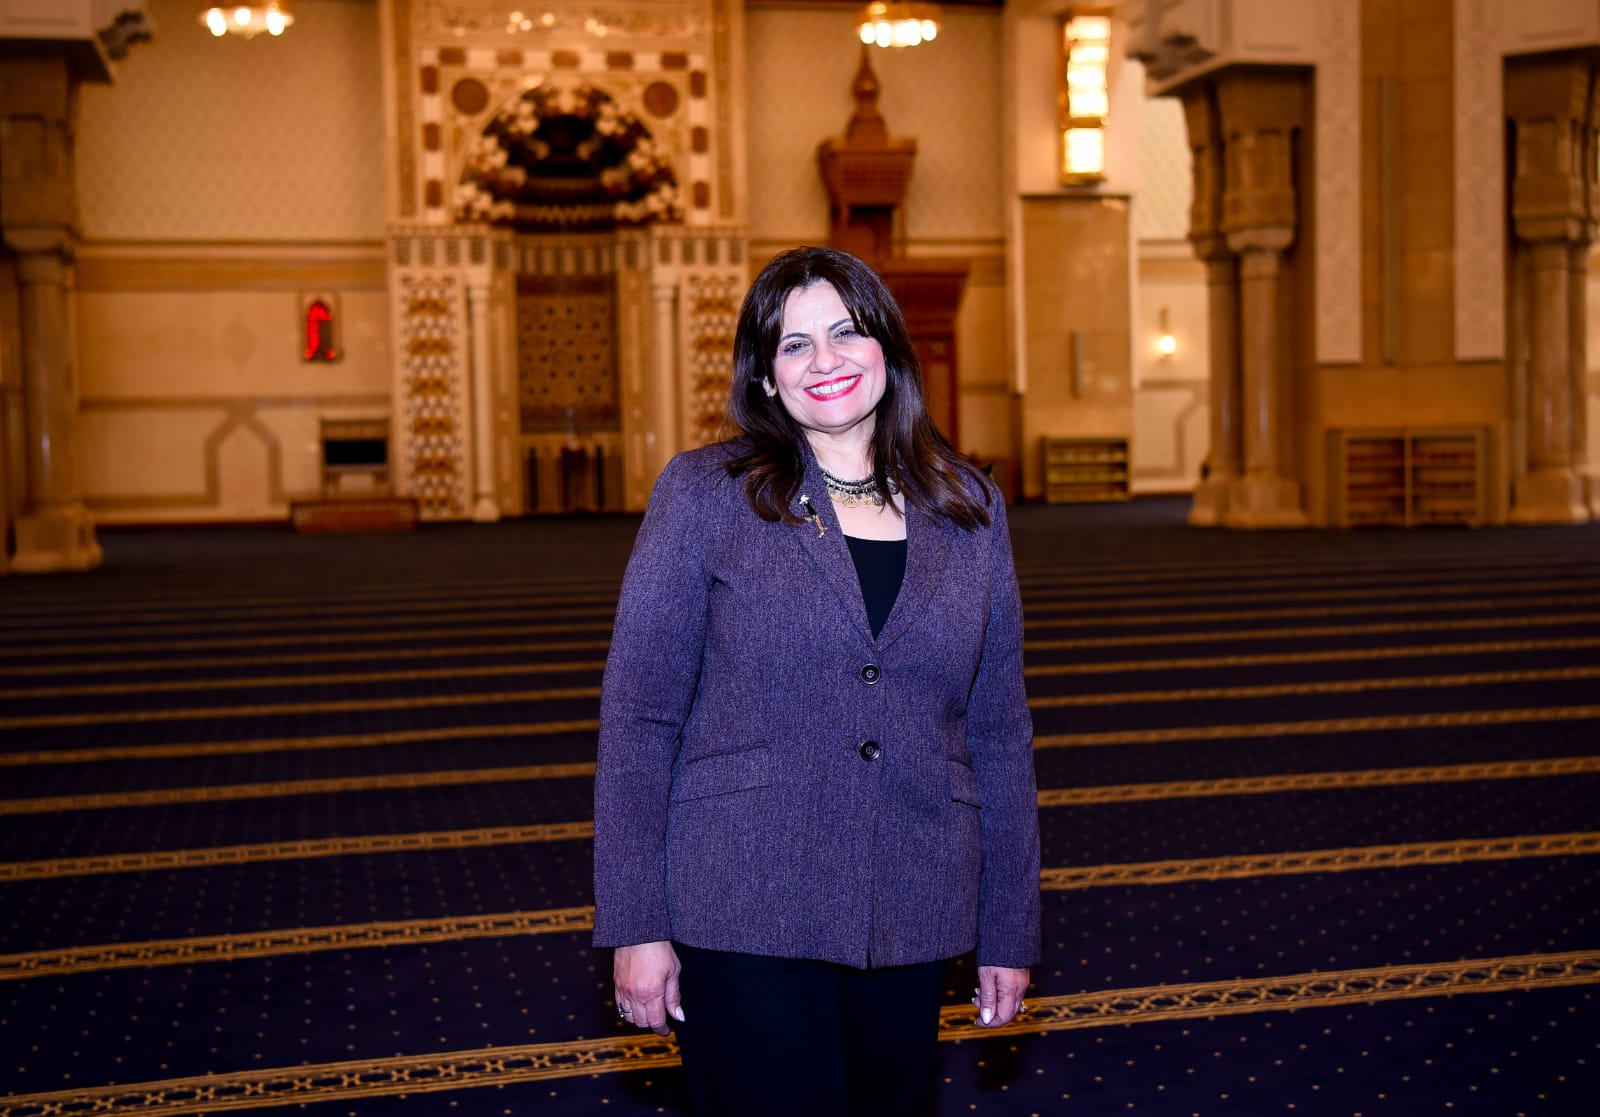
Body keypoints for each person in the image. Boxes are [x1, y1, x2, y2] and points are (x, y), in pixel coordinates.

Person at [592, 245, 1040, 1116]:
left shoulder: (970, 508)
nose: (824, 359)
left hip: (913, 899)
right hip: (743, 899)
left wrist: (1009, 926)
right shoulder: (706, 495)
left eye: (846, 332)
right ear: (765, 377)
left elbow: (999, 730)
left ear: (889, 349)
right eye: (794, 344)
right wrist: (636, 921)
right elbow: (640, 717)